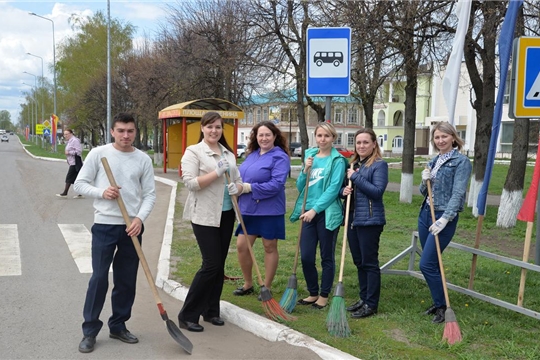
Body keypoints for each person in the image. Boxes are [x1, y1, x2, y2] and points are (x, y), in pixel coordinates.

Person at [73, 113, 156, 353]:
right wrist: (103, 192)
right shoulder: (99, 154)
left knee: (126, 280)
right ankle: (89, 331)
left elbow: (149, 194)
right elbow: (80, 184)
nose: (126, 136)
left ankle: (118, 325)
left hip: (132, 227)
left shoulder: (142, 159)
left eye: (130, 131)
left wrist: (139, 219)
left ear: (135, 131)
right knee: (99, 278)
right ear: (112, 131)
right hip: (105, 226)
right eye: (121, 130)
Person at [178, 111, 243, 332]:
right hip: (204, 215)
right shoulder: (193, 152)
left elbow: (237, 179)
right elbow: (191, 183)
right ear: (202, 129)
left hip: (226, 214)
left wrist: (238, 188)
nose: (214, 130)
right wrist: (216, 173)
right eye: (210, 127)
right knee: (211, 264)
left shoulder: (228, 152)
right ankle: (188, 315)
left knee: (219, 265)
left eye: (218, 127)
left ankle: (211, 311)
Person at [418, 122, 471, 324]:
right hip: (425, 214)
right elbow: (425, 192)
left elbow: (458, 193)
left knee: (427, 264)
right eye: (437, 137)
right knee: (433, 263)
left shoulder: (461, 162)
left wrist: (445, 218)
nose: (440, 141)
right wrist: (425, 181)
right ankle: (438, 301)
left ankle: (442, 307)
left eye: (444, 137)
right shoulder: (434, 161)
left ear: (453, 138)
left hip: (442, 216)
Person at [290, 122, 346, 309]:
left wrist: (315, 210)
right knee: (306, 256)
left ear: (333, 138)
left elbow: (333, 189)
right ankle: (313, 292)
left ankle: (324, 294)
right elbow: (300, 187)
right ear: (316, 137)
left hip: (326, 213)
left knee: (326, 256)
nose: (323, 139)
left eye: (327, 136)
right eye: (320, 136)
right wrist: (305, 170)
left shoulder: (337, 161)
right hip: (308, 212)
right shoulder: (310, 157)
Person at [232, 121, 290, 299]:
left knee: (269, 246)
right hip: (248, 209)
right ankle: (248, 283)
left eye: (267, 135)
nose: (264, 138)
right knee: (242, 246)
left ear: (274, 136)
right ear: (255, 137)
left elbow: (276, 185)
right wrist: (238, 188)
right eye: (260, 135)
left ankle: (267, 285)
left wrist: (249, 188)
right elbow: (243, 178)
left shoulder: (280, 157)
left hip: (269, 210)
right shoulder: (252, 155)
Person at [342, 128, 388, 318]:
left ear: (374, 144)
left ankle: (371, 303)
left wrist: (355, 177)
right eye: (358, 142)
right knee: (359, 261)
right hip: (353, 218)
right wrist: (343, 191)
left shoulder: (379, 165)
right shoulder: (355, 164)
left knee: (369, 262)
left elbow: (377, 192)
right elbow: (348, 189)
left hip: (370, 220)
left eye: (365, 142)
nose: (361, 146)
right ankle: (363, 298)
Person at [56, 129, 84, 198]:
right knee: (76, 178)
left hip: (75, 162)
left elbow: (79, 151)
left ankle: (65, 193)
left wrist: (69, 153)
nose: (65, 136)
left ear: (71, 133)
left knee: (69, 177)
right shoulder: (69, 141)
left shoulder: (75, 140)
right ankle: (80, 193)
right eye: (64, 134)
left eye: (67, 134)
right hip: (72, 162)